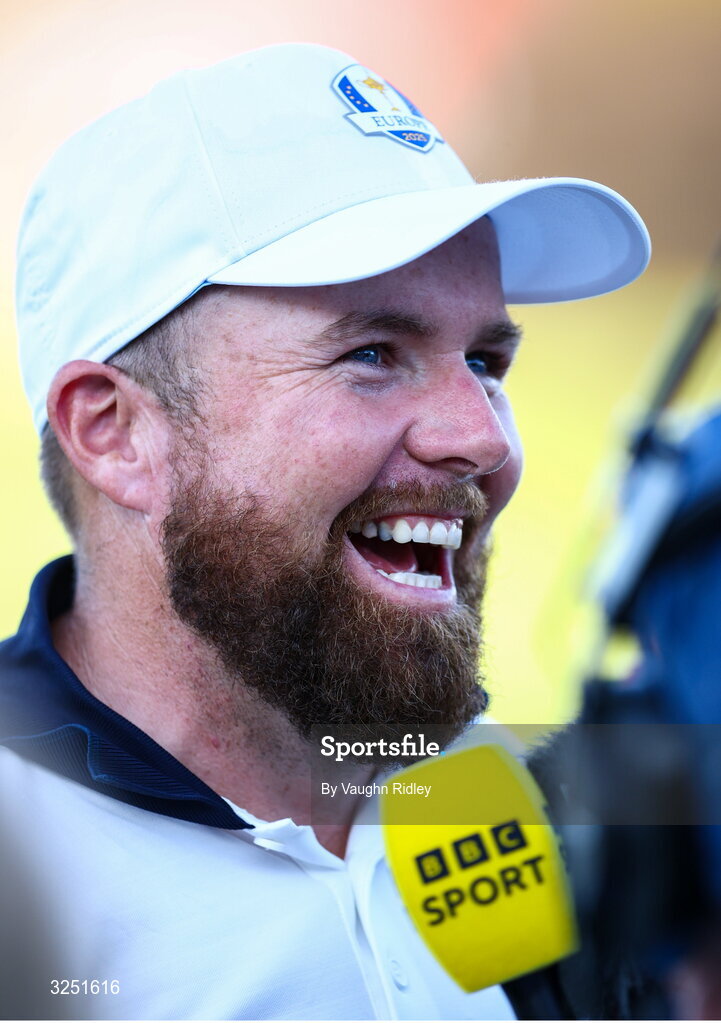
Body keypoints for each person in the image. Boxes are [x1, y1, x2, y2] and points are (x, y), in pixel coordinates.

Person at [0, 42, 650, 1021]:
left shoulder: (496, 799)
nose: (481, 438)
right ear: (114, 431)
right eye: (371, 354)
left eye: (485, 361)